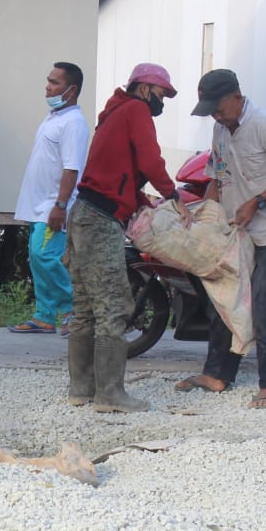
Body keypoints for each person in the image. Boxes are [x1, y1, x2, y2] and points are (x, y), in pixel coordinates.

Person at [175, 69, 266, 409]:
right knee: (223, 298)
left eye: (218, 108)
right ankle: (218, 375)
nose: (215, 116)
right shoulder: (220, 129)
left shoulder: (263, 124)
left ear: (237, 97)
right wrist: (207, 214)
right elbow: (217, 176)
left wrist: (257, 201)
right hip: (238, 230)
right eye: (210, 112)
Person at [67, 63, 181, 413]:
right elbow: (150, 160)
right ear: (145, 88)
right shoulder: (136, 110)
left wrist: (144, 201)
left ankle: (82, 389)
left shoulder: (114, 112)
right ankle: (110, 395)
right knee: (113, 308)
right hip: (100, 221)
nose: (162, 102)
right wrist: (172, 196)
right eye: (162, 94)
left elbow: (116, 173)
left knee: (86, 308)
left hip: (83, 214)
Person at [9, 62, 90, 336]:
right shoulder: (53, 117)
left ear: (71, 89)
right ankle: (44, 315)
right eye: (48, 81)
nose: (48, 87)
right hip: (36, 205)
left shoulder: (74, 123)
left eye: (54, 82)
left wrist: (61, 205)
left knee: (47, 257)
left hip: (53, 207)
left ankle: (73, 311)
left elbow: (72, 167)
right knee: (36, 257)